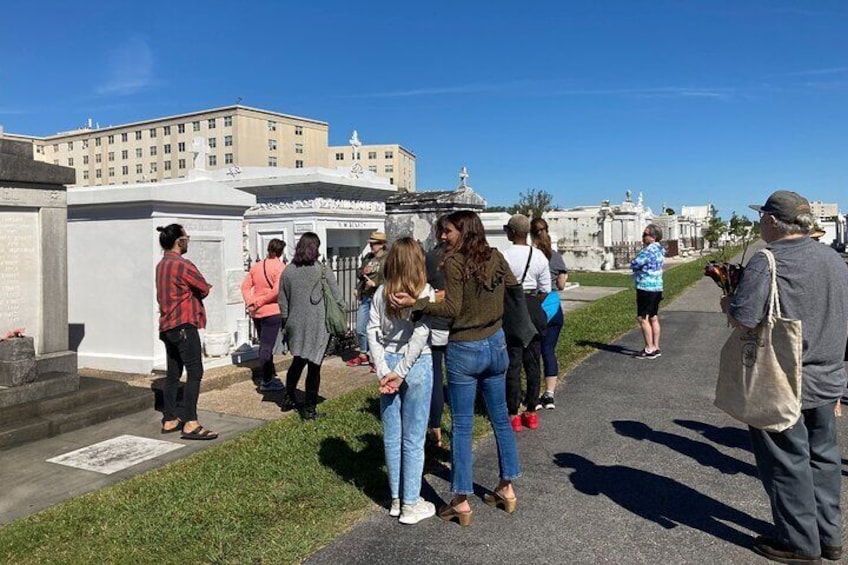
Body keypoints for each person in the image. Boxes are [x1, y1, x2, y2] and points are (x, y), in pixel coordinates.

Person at [722, 190, 848, 564]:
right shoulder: (834, 259)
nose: (760, 223)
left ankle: (799, 543)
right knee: (823, 459)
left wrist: (728, 303)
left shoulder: (769, 260)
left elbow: (744, 317)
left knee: (785, 462)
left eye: (762, 217)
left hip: (783, 379)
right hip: (827, 377)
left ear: (774, 222)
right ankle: (830, 537)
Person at [390, 210, 521, 527]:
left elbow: (451, 309)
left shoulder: (456, 262)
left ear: (464, 230)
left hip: (466, 347)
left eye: (447, 231)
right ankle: (507, 487)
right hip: (497, 342)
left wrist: (417, 304)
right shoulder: (495, 256)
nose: (442, 236)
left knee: (462, 425)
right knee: (500, 416)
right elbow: (512, 286)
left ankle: (461, 500)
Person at [368, 237, 436, 525]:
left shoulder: (382, 292)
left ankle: (397, 498)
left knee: (393, 434)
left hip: (389, 359)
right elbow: (421, 335)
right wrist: (402, 370)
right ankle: (409, 502)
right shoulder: (424, 293)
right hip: (415, 363)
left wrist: (384, 368)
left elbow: (371, 331)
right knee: (413, 437)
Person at [155, 224, 218, 440]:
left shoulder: (161, 265)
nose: (188, 241)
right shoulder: (182, 265)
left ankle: (170, 418)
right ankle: (191, 421)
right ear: (179, 241)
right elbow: (204, 287)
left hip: (167, 326)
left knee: (173, 374)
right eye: (186, 237)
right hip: (184, 324)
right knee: (195, 372)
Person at [278, 232, 343, 420]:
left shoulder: (288, 271)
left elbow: (282, 301)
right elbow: (337, 296)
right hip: (318, 325)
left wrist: (286, 323)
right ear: (315, 248)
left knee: (297, 361)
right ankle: (309, 409)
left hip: (295, 324)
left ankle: (288, 397)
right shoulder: (322, 270)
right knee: (314, 366)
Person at [502, 214, 551, 431]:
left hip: (512, 307)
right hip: (532, 303)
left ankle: (513, 413)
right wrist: (532, 303)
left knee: (513, 362)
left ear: (511, 232)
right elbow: (546, 289)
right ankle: (531, 411)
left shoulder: (505, 256)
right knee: (533, 362)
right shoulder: (538, 255)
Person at [531, 217, 568, 410]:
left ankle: (534, 393)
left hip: (535, 307)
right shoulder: (556, 257)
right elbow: (561, 285)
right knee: (549, 351)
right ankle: (550, 394)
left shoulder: (531, 257)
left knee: (533, 353)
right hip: (554, 308)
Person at [241, 238, 286, 393]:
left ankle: (269, 375)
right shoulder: (280, 267)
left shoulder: (256, 266)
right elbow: (276, 291)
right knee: (267, 347)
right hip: (272, 311)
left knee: (264, 343)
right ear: (281, 252)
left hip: (257, 312)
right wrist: (261, 302)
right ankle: (266, 381)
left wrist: (251, 301)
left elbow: (245, 286)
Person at [424, 216, 450, 448]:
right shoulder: (464, 256)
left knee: (436, 376)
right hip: (459, 323)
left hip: (438, 322)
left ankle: (435, 425)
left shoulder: (432, 257)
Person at [348, 232, 388, 372]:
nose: (372, 246)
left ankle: (378, 359)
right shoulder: (368, 257)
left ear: (382, 244)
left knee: (377, 329)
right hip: (366, 297)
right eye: (371, 243)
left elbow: (391, 278)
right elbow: (361, 274)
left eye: (374, 243)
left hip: (380, 297)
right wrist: (362, 273)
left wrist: (376, 284)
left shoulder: (388, 259)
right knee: (360, 327)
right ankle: (363, 354)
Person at [630, 223, 665, 359]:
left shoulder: (648, 251)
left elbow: (635, 263)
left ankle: (649, 348)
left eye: (645, 234)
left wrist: (635, 265)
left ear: (653, 237)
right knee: (653, 317)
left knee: (642, 318)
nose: (643, 237)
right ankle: (656, 346)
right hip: (657, 287)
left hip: (645, 287)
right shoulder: (660, 250)